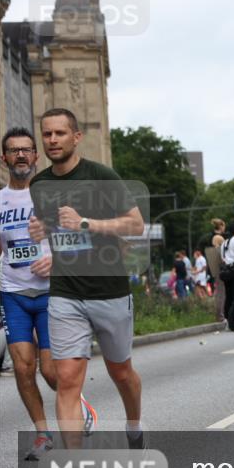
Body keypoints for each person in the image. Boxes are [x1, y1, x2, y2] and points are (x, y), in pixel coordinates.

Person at [27, 108, 144, 449]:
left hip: (109, 291)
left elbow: (135, 225)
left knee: (121, 373)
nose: (52, 140)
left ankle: (134, 426)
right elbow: (53, 229)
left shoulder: (101, 176)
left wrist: (86, 223)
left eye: (59, 133)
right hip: (65, 292)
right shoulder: (40, 184)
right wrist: (41, 230)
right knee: (66, 379)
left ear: (76, 137)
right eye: (47, 134)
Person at [1, 126, 96, 459]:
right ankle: (43, 435)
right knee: (23, 367)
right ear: (4, 158)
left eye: (27, 149)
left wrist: (55, 260)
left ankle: (80, 406)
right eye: (14, 151)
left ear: (35, 156)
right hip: (12, 293)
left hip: (52, 293)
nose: (21, 155)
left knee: (52, 372)